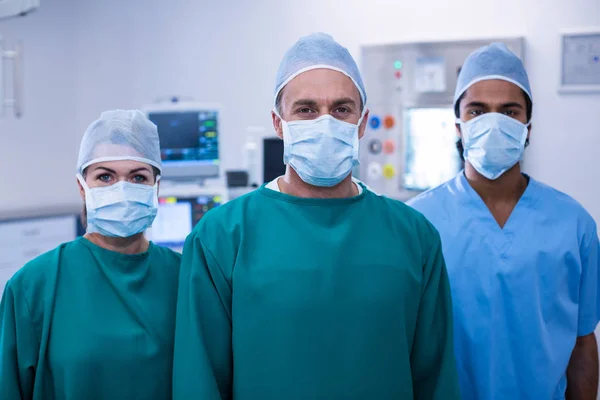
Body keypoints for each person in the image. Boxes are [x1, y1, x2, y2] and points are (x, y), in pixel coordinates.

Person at [172, 33, 461, 400]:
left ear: (361, 122)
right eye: (306, 109)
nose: (325, 122)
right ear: (279, 123)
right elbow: (200, 382)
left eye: (341, 109)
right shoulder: (222, 238)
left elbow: (436, 379)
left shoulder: (414, 237)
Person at [408, 43, 600, 399]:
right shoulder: (417, 223)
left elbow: (582, 341)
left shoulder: (575, 226)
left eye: (509, 112)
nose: (493, 123)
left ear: (528, 127)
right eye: (477, 111)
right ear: (458, 126)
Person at [0, 110, 181, 399]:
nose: (122, 188)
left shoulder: (186, 278)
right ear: (82, 188)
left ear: (156, 186)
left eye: (138, 176)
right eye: (105, 176)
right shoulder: (33, 287)